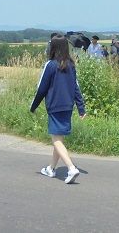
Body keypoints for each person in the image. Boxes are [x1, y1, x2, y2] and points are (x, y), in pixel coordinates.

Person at [30, 34, 87, 184]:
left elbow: (41, 88)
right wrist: (81, 108)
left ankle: (71, 168)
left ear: (53, 48)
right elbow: (76, 88)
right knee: (59, 138)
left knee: (56, 139)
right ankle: (51, 168)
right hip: (68, 106)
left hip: (55, 106)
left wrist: (33, 106)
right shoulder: (71, 64)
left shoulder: (50, 65)